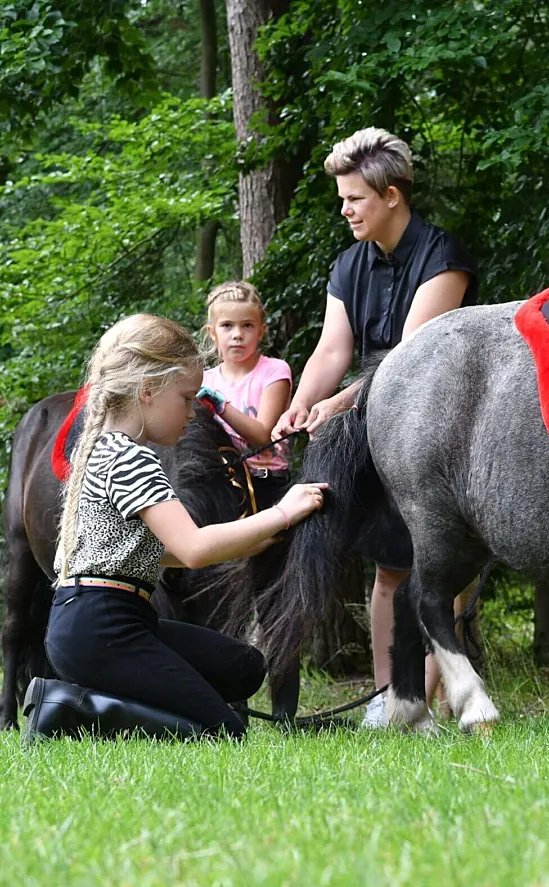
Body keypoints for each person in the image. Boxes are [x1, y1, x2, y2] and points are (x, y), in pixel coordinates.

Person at [23, 314, 327, 744]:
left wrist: (253, 536)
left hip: (103, 620)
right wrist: (283, 512)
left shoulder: (103, 449)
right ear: (147, 392)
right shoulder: (132, 459)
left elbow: (146, 550)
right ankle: (70, 709)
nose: (191, 411)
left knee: (244, 666)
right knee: (224, 730)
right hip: (101, 627)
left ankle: (120, 696)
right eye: (186, 398)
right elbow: (193, 549)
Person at [272, 126, 477, 728]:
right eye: (342, 198)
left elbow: (408, 359)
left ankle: (426, 703)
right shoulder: (348, 264)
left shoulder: (444, 257)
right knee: (390, 567)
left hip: (442, 428)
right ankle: (391, 702)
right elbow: (331, 352)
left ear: (391, 195)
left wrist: (334, 406)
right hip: (374, 425)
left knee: (436, 569)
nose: (345, 210)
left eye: (354, 198)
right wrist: (299, 406)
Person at [197, 281, 292, 511]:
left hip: (267, 483)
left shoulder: (274, 371)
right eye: (227, 325)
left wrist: (221, 406)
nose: (238, 335)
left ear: (262, 330)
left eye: (247, 326)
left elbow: (262, 436)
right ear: (212, 332)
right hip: (221, 485)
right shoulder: (204, 380)